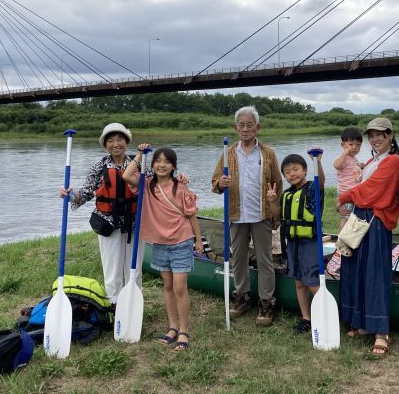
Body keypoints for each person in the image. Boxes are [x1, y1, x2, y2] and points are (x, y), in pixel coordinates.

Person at [123, 146, 203, 351]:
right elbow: (126, 175)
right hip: (160, 243)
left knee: (179, 287)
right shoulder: (146, 184)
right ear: (152, 165)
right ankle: (172, 327)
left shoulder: (180, 187)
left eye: (167, 161)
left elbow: (192, 214)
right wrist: (140, 154)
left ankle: (184, 330)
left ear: (173, 166)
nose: (161, 164)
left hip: (181, 241)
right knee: (167, 286)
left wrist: (198, 240)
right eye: (157, 160)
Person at [337, 118, 399, 356]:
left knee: (375, 273)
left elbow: (373, 189)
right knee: (357, 269)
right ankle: (363, 323)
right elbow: (363, 184)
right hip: (360, 217)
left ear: (390, 136)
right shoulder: (371, 161)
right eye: (372, 135)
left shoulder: (393, 161)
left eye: (380, 134)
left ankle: (381, 332)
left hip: (376, 220)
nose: (375, 139)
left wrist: (345, 196)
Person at [211, 106, 283, 326]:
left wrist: (274, 209)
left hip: (260, 215)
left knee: (265, 260)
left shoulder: (268, 153)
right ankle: (241, 298)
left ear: (257, 127)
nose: (245, 128)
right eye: (241, 125)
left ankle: (266, 302)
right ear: (236, 128)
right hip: (236, 214)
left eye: (249, 124)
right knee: (239, 258)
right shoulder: (227, 153)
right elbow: (215, 184)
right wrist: (220, 184)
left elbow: (278, 184)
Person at [60, 123, 143, 303]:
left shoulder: (139, 164)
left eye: (120, 139)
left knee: (134, 269)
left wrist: (178, 179)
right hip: (108, 223)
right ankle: (113, 306)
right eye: (111, 141)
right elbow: (86, 193)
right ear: (105, 145)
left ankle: (134, 305)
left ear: (126, 142)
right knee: (112, 271)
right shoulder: (99, 165)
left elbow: (157, 185)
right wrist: (71, 195)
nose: (116, 144)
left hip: (135, 223)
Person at [266, 151, 325, 334]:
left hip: (310, 242)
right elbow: (277, 217)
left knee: (313, 282)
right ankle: (306, 318)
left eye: (296, 169)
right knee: (299, 282)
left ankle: (323, 318)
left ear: (305, 170)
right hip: (293, 243)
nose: (292, 174)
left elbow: (321, 182)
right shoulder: (287, 194)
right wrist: (273, 201)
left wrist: (318, 163)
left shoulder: (312, 189)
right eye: (288, 172)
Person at [333, 126, 363, 231]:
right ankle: (342, 239)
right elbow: (337, 165)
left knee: (353, 216)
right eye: (351, 144)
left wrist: (361, 166)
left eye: (358, 145)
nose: (354, 147)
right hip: (345, 193)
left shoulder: (354, 159)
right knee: (345, 217)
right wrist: (344, 153)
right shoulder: (343, 157)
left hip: (354, 193)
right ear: (343, 145)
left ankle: (350, 238)